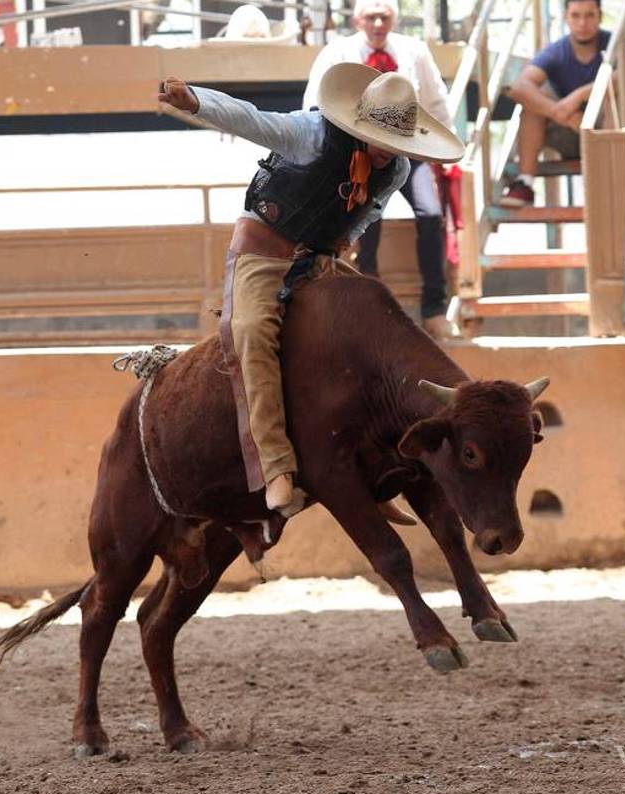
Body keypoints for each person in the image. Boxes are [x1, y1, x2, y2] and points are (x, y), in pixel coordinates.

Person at [158, 64, 464, 513]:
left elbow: (364, 217)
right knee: (251, 334)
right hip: (264, 251)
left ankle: (372, 471)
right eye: (383, 139)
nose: (388, 152)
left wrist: (335, 255)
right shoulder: (313, 133)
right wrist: (197, 101)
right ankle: (275, 467)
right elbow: (251, 119)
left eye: (398, 143)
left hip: (321, 258)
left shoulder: (396, 170)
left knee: (379, 326)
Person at [302, 0, 455, 340]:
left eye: (383, 16)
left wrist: (448, 153)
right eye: (370, 16)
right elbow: (313, 102)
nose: (377, 23)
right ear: (357, 19)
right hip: (357, 153)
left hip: (407, 151)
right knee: (369, 214)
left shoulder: (414, 51)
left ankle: (435, 307)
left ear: (394, 19)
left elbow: (435, 101)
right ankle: (368, 299)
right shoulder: (337, 52)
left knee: (430, 215)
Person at [499, 0, 625, 208]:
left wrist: (579, 95)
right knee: (532, 105)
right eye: (576, 15)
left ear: (600, 16)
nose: (582, 23)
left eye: (589, 15)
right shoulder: (557, 51)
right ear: (566, 17)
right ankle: (524, 183)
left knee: (613, 97)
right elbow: (519, 87)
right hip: (569, 131)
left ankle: (611, 181)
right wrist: (558, 112)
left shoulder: (617, 43)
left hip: (606, 132)